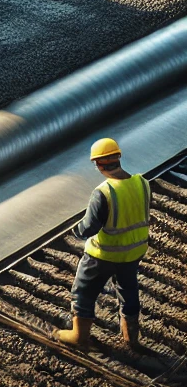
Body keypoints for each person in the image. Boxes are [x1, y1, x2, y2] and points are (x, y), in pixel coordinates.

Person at [53, 138, 150, 352]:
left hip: (103, 255)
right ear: (118, 158)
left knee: (83, 292)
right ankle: (130, 337)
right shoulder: (142, 182)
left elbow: (88, 228)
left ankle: (79, 336)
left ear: (98, 164)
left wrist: (74, 230)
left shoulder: (104, 192)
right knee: (128, 290)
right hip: (133, 252)